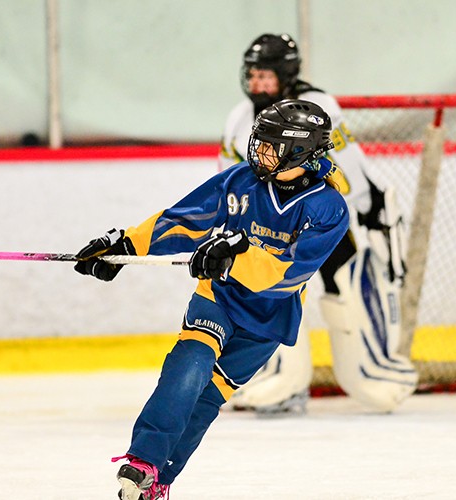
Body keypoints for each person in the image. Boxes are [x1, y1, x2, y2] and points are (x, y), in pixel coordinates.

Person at [75, 99, 349, 500]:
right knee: (191, 361)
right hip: (218, 298)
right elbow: (186, 220)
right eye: (260, 140)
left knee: (206, 402)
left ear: (300, 151)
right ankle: (144, 458)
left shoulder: (328, 209)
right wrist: (126, 246)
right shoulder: (240, 180)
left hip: (266, 323)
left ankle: (160, 481)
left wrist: (235, 256)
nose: (259, 150)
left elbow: (290, 275)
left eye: (271, 144)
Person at [219, 33, 418, 415]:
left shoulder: (318, 105)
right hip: (268, 227)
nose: (257, 84)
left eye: (266, 76)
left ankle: (372, 372)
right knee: (269, 294)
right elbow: (229, 176)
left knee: (347, 288)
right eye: (253, 75)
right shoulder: (238, 117)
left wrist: (370, 204)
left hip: (323, 221)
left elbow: (349, 162)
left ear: (287, 75)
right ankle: (281, 381)